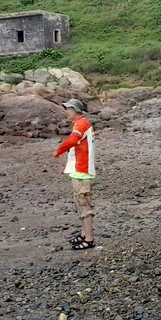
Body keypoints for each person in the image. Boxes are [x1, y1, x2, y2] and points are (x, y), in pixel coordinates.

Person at [54, 98, 96, 250]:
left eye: (68, 109)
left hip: (82, 171)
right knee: (80, 202)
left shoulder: (81, 124)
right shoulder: (80, 123)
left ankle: (89, 238)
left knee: (84, 203)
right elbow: (76, 146)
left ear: (75, 110)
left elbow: (73, 140)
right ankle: (85, 234)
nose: (66, 112)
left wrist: (59, 150)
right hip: (79, 170)